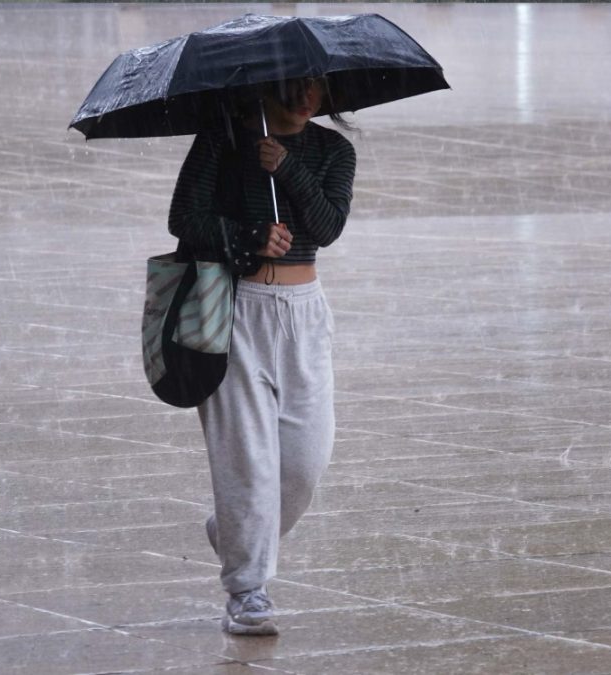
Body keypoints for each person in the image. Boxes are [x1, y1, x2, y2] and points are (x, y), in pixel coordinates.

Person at [167, 76, 356, 636]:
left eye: (315, 90)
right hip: (234, 308)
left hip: (304, 312)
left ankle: (234, 533)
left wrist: (286, 169)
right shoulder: (221, 142)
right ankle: (247, 590)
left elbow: (328, 226)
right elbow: (184, 218)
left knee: (303, 462)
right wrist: (247, 233)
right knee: (245, 458)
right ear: (264, 89)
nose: (305, 100)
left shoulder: (332, 150)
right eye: (293, 88)